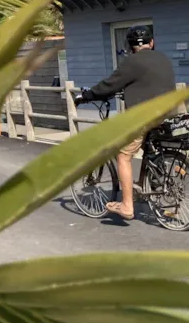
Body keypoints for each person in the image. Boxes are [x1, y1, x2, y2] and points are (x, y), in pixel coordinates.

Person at [75, 25, 176, 220]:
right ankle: (170, 175)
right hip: (167, 114)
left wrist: (87, 96)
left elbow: (109, 85)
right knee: (151, 149)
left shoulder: (131, 62)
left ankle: (127, 206)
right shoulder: (163, 59)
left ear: (130, 46)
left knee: (123, 156)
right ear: (152, 43)